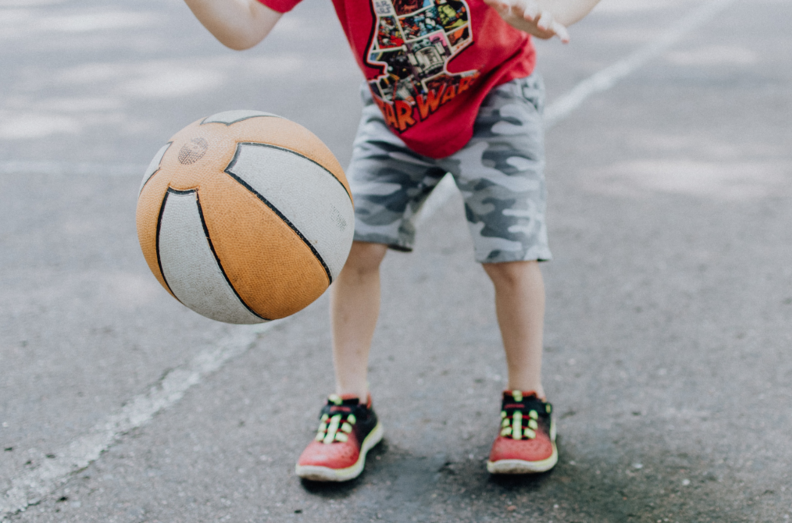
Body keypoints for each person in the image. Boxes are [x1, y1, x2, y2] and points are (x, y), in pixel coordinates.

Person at [182, 0, 601, 480]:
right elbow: (244, 27)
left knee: (511, 253)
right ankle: (351, 402)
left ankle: (527, 400)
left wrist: (552, 13)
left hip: (496, 94)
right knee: (354, 243)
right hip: (397, 110)